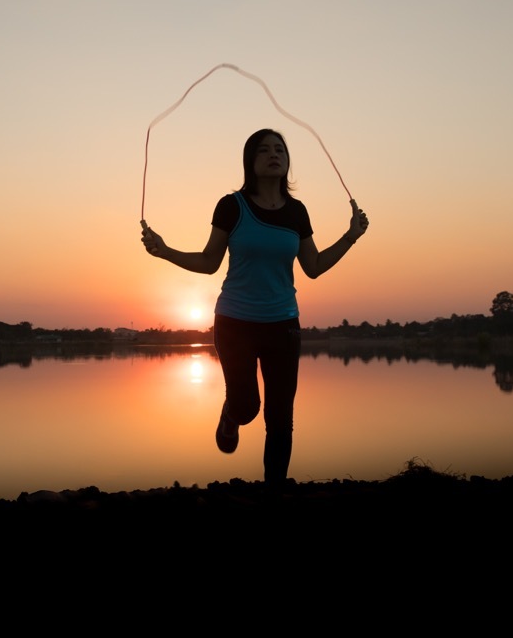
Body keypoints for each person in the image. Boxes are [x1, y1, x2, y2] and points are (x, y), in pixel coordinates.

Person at [140, 128, 369, 486]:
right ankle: (231, 416)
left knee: (281, 417)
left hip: (283, 324)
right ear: (250, 161)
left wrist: (351, 236)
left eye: (280, 149)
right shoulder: (232, 205)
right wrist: (165, 250)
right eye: (264, 150)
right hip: (235, 322)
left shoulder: (297, 211)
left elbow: (314, 267)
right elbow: (209, 261)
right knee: (248, 407)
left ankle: (273, 491)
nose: (274, 154)